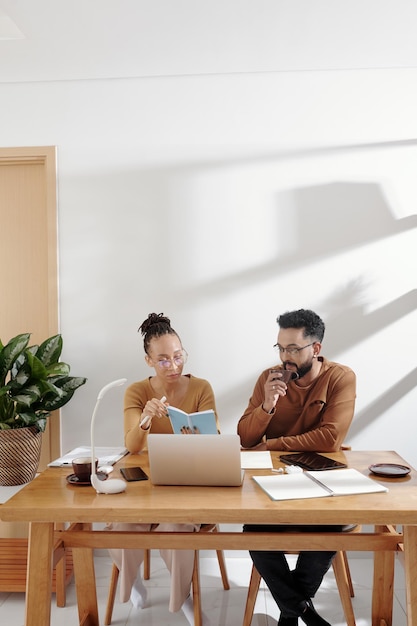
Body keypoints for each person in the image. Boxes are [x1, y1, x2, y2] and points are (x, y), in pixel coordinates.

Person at [237, 309, 356, 626]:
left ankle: (289, 614)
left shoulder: (340, 378)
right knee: (254, 533)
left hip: (323, 481)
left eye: (293, 349)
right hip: (274, 484)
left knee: (331, 529)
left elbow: (330, 437)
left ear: (315, 349)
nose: (284, 357)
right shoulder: (269, 378)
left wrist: (273, 444)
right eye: (280, 347)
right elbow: (246, 439)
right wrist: (267, 406)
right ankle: (303, 613)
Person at [109, 312, 219, 625]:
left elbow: (215, 437)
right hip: (147, 485)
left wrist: (195, 433)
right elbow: (132, 445)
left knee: (176, 526)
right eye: (163, 360)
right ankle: (133, 583)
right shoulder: (137, 391)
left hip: (189, 481)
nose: (172, 366)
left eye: (178, 357)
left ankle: (181, 596)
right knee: (120, 525)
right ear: (148, 361)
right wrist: (145, 417)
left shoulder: (201, 388)